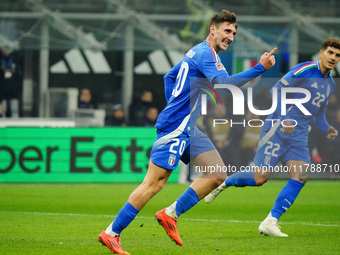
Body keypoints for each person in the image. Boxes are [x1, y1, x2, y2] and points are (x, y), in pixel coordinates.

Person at [98, 10, 276, 254]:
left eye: (233, 33)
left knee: (216, 174)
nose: (230, 37)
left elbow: (168, 76)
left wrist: (177, 101)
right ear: (212, 29)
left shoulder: (198, 51)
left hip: (188, 127)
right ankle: (111, 233)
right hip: (176, 127)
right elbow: (225, 87)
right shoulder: (206, 55)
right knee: (153, 184)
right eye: (226, 31)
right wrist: (260, 68)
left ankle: (170, 213)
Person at [204, 38, 340, 237]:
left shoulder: (330, 84)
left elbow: (318, 113)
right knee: (260, 178)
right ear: (321, 53)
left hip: (299, 136)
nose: (333, 58)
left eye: (337, 55)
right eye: (330, 53)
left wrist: (327, 127)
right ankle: (226, 182)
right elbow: (276, 89)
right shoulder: (305, 70)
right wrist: (285, 120)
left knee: (300, 176)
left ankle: (270, 221)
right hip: (277, 128)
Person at [0, 48, 23, 117]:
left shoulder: (15, 59)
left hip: (13, 89)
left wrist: (18, 87)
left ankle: (15, 125)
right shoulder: (0, 60)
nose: (6, 51)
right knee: (2, 109)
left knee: (14, 108)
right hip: (1, 90)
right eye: (4, 49)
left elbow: (19, 75)